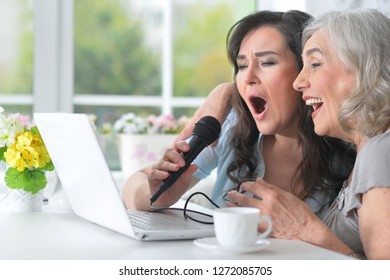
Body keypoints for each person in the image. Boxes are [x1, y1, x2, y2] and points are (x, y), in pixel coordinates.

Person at [122, 10, 354, 220]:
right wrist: (156, 195)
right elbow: (132, 189)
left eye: (267, 62)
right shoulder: (233, 129)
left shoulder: (349, 152)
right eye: (242, 66)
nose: (248, 77)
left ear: (306, 70)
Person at [226, 8, 390, 259]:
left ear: (363, 68)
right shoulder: (367, 150)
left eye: (314, 64)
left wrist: (305, 228)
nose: (298, 82)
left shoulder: (380, 150)